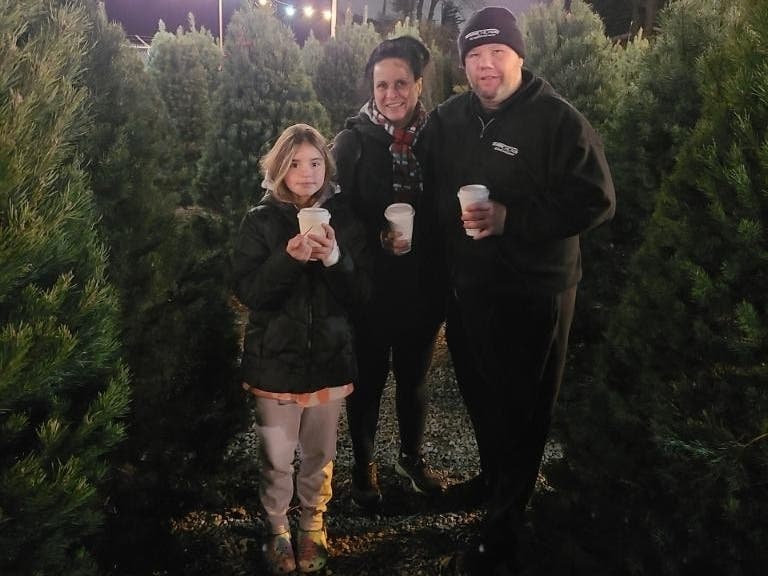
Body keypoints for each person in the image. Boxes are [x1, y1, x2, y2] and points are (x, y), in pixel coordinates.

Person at [421, 7, 616, 574]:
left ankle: (501, 540)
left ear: (520, 56)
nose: (486, 65)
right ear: (463, 65)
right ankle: (492, 484)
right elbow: (415, 165)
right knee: (482, 399)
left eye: (497, 53)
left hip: (534, 293)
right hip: (469, 290)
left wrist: (512, 218)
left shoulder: (557, 121)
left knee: (523, 412)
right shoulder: (452, 118)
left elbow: (596, 201)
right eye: (475, 55)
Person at [232, 124, 370, 574]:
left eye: (315, 163)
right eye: (295, 163)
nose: (306, 173)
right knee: (276, 457)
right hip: (274, 364)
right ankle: (277, 530)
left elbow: (360, 295)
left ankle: (312, 525)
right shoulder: (261, 221)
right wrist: (288, 258)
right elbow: (251, 292)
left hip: (329, 361)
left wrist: (333, 258)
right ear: (279, 168)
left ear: (326, 167)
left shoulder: (345, 218)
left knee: (319, 455)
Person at [331, 36, 446, 511]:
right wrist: (373, 237)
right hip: (371, 284)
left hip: (423, 282)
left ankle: (411, 458)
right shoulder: (353, 140)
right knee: (370, 377)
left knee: (415, 375)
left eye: (401, 83)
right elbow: (336, 210)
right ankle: (363, 464)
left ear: (419, 85)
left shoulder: (439, 136)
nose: (391, 93)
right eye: (382, 85)